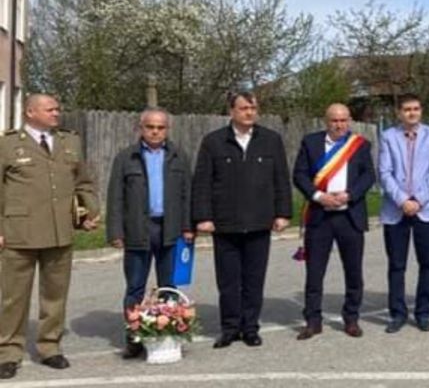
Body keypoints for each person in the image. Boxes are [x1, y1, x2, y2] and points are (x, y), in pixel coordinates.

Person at [0, 94, 99, 379]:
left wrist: (89, 212)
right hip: (19, 232)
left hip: (59, 231)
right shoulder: (8, 144)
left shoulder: (69, 142)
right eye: (50, 109)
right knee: (13, 298)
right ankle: (8, 352)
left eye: (57, 109)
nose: (57, 113)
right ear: (30, 112)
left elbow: (83, 182)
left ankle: (50, 347)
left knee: (55, 295)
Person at [192, 91, 291, 349]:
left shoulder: (271, 140)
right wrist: (203, 217)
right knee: (228, 282)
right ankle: (229, 328)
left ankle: (250, 328)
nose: (249, 113)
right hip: (225, 224)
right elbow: (202, 182)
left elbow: (281, 179)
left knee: (253, 280)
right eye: (244, 108)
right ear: (231, 111)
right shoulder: (214, 142)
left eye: (253, 108)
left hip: (259, 222)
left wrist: (282, 213)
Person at [105, 107, 193, 359]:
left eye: (160, 127)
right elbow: (115, 197)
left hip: (170, 229)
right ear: (140, 128)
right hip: (137, 229)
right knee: (135, 286)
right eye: (150, 127)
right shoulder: (126, 157)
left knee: (169, 287)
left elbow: (187, 194)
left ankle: (168, 335)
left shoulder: (179, 156)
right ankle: (134, 338)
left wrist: (188, 226)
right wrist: (115, 231)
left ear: (167, 129)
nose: (155, 132)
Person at [293, 103, 375, 340]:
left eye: (343, 120)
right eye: (334, 120)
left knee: (353, 272)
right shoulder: (310, 143)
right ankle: (313, 321)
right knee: (314, 272)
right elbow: (299, 174)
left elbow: (368, 175)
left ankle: (351, 318)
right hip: (320, 216)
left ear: (349, 121)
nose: (339, 125)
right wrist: (319, 197)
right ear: (326, 121)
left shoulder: (360, 145)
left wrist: (349, 195)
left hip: (350, 216)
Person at [378, 94, 429, 333]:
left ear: (421, 111)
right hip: (395, 210)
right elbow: (384, 172)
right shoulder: (388, 137)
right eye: (407, 109)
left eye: (416, 108)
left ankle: (423, 312)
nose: (412, 113)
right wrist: (402, 200)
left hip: (426, 209)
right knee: (397, 265)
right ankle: (397, 313)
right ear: (399, 112)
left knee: (427, 263)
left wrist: (418, 200)